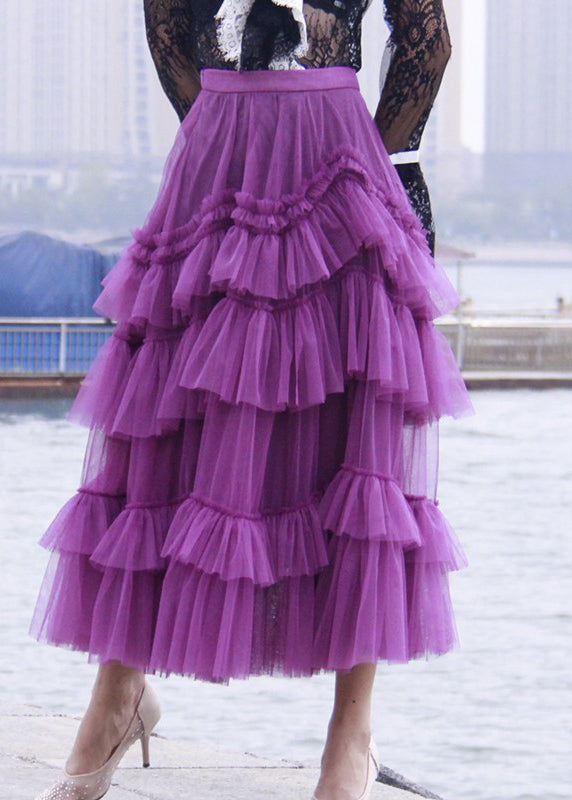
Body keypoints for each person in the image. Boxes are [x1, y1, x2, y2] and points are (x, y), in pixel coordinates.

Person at [30, 1, 474, 799]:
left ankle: (340, 734)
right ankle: (135, 702)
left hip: (277, 159)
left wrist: (256, 124)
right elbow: (424, 45)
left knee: (232, 432)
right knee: (210, 427)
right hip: (288, 160)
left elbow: (423, 41)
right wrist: (336, 146)